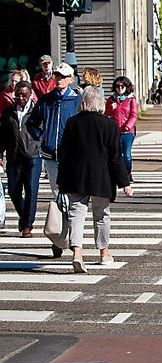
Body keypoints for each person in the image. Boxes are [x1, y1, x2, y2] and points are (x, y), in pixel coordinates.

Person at [56, 87, 133, 273]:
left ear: (82, 102)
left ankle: (77, 253)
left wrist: (61, 179)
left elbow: (64, 153)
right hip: (101, 177)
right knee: (101, 215)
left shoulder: (72, 123)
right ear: (100, 103)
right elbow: (116, 157)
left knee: (76, 214)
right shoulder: (109, 125)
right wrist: (125, 183)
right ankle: (104, 253)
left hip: (76, 177)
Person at [30, 63, 82, 202]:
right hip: (50, 152)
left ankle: (71, 223)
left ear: (71, 79)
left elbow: (85, 125)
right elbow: (31, 123)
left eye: (63, 77)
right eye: (57, 76)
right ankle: (61, 220)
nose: (59, 79)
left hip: (72, 154)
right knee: (57, 193)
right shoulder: (46, 100)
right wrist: (42, 137)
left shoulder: (78, 100)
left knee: (72, 192)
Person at [0, 81, 42, 237]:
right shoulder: (8, 112)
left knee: (31, 190)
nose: (20, 98)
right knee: (13, 190)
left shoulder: (37, 111)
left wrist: (39, 143)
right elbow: (2, 135)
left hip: (33, 156)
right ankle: (24, 215)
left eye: (24, 95)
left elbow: (43, 129)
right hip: (14, 156)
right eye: (17, 95)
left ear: (30, 93)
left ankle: (27, 226)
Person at [104, 76, 139, 176]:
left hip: (128, 132)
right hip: (115, 131)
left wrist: (128, 126)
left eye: (122, 86)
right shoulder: (111, 100)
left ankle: (127, 174)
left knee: (127, 155)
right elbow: (106, 115)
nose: (120, 88)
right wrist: (111, 108)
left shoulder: (131, 99)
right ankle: (117, 174)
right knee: (115, 154)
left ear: (127, 87)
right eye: (117, 86)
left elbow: (134, 114)